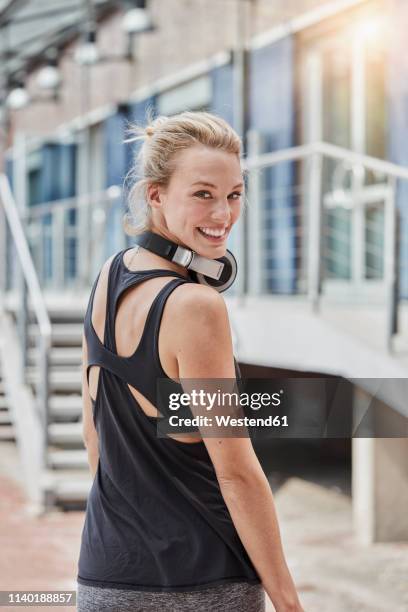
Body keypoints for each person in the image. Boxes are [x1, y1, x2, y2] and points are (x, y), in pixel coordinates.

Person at [76, 110, 304, 612]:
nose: (223, 214)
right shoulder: (195, 307)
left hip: (104, 576)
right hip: (201, 583)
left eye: (234, 195)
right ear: (155, 194)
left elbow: (94, 432)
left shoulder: (109, 276)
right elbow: (236, 472)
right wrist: (288, 602)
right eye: (203, 194)